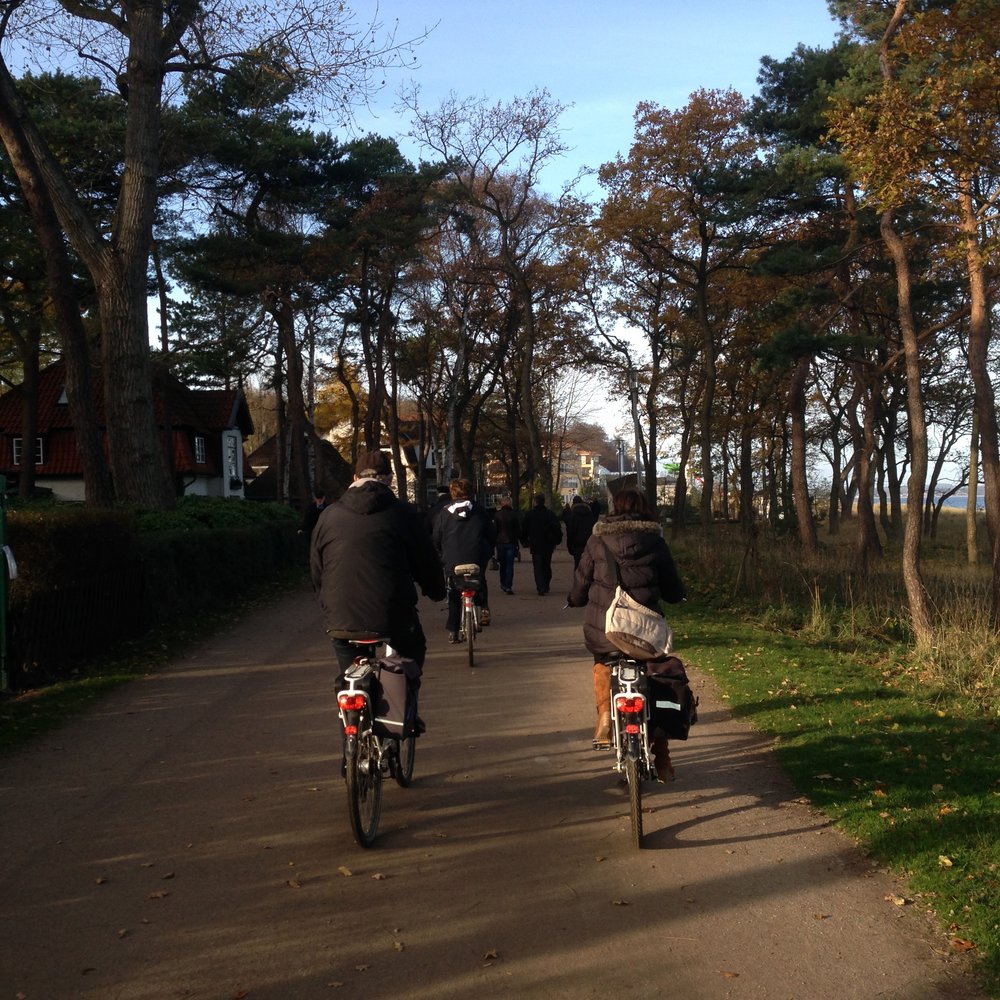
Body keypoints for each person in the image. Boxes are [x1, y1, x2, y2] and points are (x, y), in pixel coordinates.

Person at [566, 488, 686, 781]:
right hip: (645, 633)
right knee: (654, 679)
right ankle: (662, 757)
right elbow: (671, 586)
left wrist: (574, 599)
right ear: (645, 508)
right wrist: (676, 595)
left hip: (606, 630)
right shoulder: (655, 541)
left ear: (613, 508)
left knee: (602, 663)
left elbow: (582, 580)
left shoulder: (597, 540)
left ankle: (605, 716)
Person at [310, 450, 446, 685]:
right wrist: (437, 591)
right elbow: (426, 561)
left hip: (342, 616)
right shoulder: (404, 513)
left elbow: (316, 567)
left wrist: (326, 601)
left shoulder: (328, 516)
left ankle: (349, 699)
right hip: (393, 614)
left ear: (355, 478)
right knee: (413, 651)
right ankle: (403, 698)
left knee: (349, 675)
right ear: (390, 479)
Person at [432, 479, 496, 642]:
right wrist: (488, 551)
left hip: (452, 559)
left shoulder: (444, 513)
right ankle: (483, 606)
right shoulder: (480, 511)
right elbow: (491, 534)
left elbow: (436, 537)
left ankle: (453, 631)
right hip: (477, 556)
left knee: (454, 592)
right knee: (479, 578)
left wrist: (441, 554)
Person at [520, 493, 562, 595]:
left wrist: (524, 541)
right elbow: (557, 528)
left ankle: (541, 586)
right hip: (548, 544)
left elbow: (524, 529)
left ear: (535, 502)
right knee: (546, 565)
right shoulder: (550, 514)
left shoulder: (530, 514)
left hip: (535, 543)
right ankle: (545, 584)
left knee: (538, 566)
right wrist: (556, 540)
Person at [493, 494, 520, 595]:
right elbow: (518, 530)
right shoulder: (514, 515)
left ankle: (503, 583)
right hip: (511, 542)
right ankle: (508, 585)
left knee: (502, 564)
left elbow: (495, 530)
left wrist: (493, 541)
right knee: (510, 565)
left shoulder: (497, 515)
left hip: (500, 542)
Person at [563, 494, 597, 569]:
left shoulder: (572, 516)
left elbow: (570, 533)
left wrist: (570, 546)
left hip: (577, 545)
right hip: (590, 544)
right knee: (590, 566)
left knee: (578, 567)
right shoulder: (590, 515)